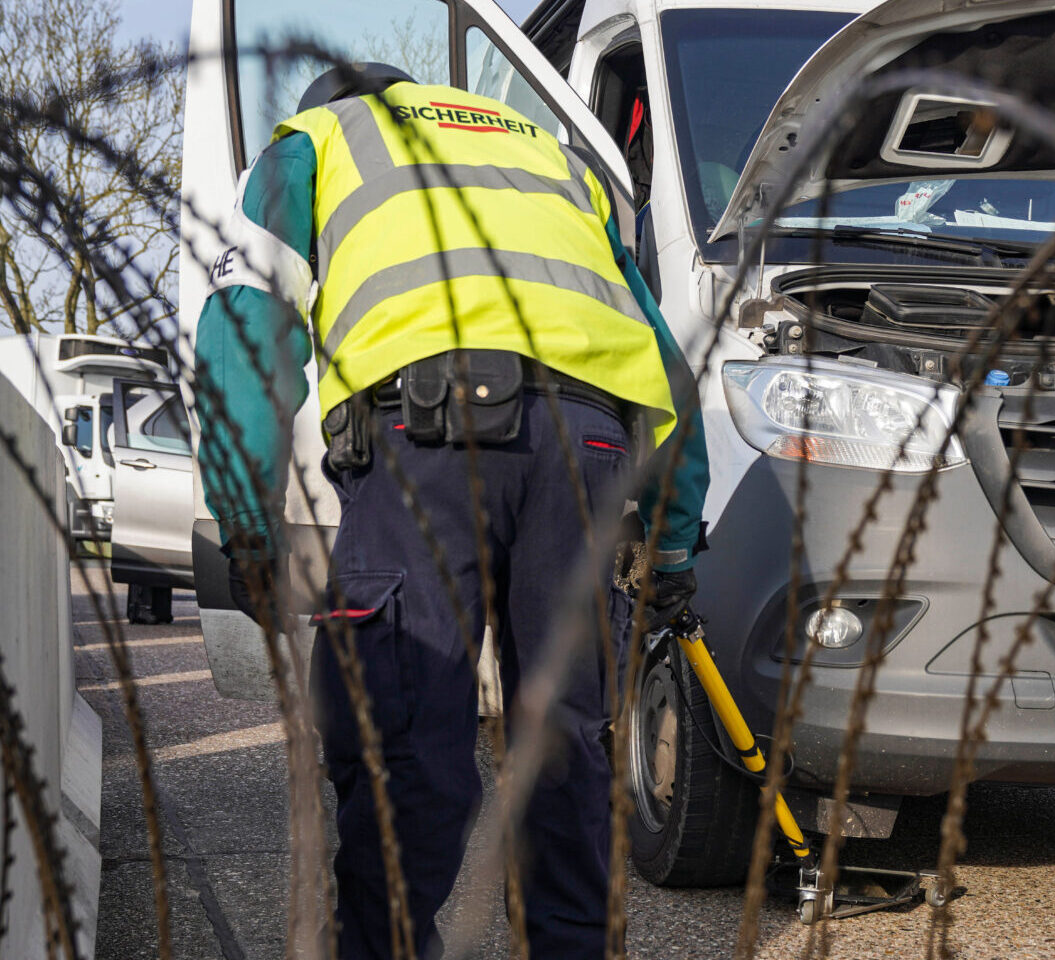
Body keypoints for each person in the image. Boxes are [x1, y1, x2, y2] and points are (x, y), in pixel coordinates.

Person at [190, 63, 707, 960]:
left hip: (424, 443)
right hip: (588, 444)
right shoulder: (548, 154)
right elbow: (663, 360)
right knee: (566, 745)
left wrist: (244, 516)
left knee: (407, 736)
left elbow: (248, 321)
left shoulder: (313, 141)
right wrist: (668, 546)